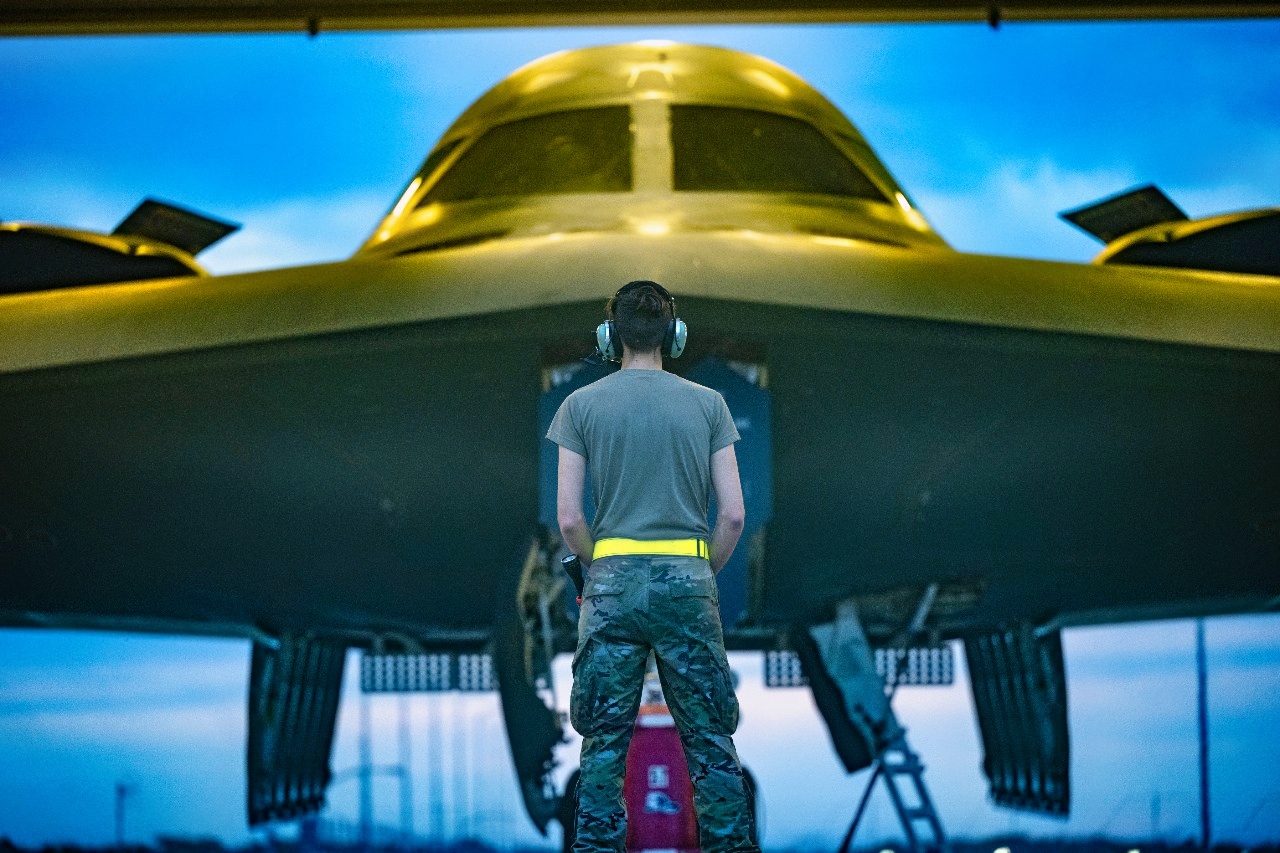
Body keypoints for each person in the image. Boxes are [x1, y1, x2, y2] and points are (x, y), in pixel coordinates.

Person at [546, 280, 760, 853]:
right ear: (674, 334)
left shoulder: (578, 406)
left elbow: (569, 519)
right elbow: (734, 516)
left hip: (611, 589)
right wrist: (699, 574)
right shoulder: (709, 405)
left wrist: (599, 578)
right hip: (688, 583)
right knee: (711, 742)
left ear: (609, 335)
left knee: (603, 746)